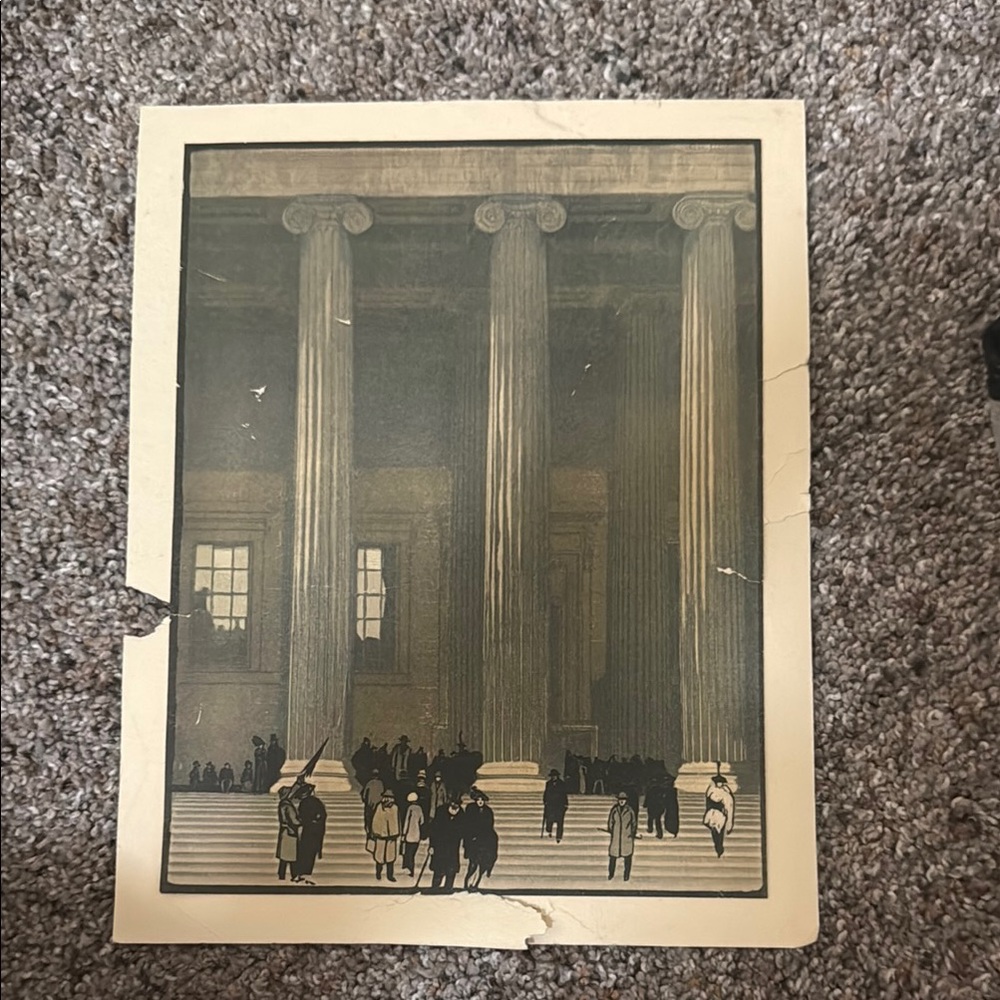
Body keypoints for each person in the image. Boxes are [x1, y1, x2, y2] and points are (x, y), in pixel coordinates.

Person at [463, 790, 498, 891]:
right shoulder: (471, 809)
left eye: (482, 800)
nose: (480, 802)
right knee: (473, 862)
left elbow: (490, 825)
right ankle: (467, 882)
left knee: (481, 863)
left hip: (484, 840)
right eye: (478, 800)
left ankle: (475, 883)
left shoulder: (488, 811)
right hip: (473, 840)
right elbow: (468, 824)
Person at [428, 799, 465, 891]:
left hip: (453, 846)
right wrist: (431, 845)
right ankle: (435, 887)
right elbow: (434, 829)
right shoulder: (441, 811)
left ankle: (448, 887)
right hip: (440, 844)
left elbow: (463, 829)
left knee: (451, 868)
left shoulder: (461, 814)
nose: (455, 805)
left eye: (457, 804)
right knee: (438, 867)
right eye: (453, 803)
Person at [294, 783, 326, 885]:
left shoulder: (304, 803)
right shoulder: (316, 802)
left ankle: (302, 873)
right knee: (310, 852)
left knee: (304, 851)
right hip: (315, 831)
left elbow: (301, 816)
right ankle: (306, 873)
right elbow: (323, 815)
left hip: (307, 830)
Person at [367, 789, 400, 882]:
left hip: (391, 837)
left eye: (390, 798)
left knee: (390, 858)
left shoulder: (395, 808)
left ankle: (390, 875)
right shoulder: (379, 807)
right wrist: (376, 832)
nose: (388, 800)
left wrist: (395, 833)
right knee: (380, 857)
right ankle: (378, 873)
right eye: (386, 797)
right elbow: (376, 821)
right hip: (381, 836)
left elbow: (396, 821)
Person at [703, 773, 736, 857]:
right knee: (716, 832)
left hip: (722, 815)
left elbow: (729, 803)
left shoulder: (725, 791)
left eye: (721, 782)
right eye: (718, 782)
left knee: (720, 832)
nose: (720, 784)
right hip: (714, 814)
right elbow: (714, 799)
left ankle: (719, 848)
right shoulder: (712, 790)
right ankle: (718, 848)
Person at [607, 791, 637, 881]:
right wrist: (612, 830)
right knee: (613, 857)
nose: (621, 801)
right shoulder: (614, 810)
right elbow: (610, 822)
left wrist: (631, 833)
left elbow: (633, 823)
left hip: (626, 837)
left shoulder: (630, 811)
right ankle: (611, 874)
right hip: (616, 837)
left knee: (627, 858)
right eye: (620, 799)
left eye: (623, 800)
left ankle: (626, 875)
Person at [275, 784, 302, 882]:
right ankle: (294, 875)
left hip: (284, 831)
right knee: (291, 855)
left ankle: (281, 875)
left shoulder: (282, 803)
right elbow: (294, 820)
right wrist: (302, 822)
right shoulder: (287, 805)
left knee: (284, 856)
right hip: (290, 831)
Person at [400, 791, 425, 876]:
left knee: (408, 853)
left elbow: (406, 821)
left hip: (409, 834)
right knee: (412, 854)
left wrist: (403, 833)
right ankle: (411, 870)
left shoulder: (410, 808)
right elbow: (422, 821)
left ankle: (408, 868)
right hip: (416, 834)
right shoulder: (420, 808)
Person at [543, 769, 569, 843]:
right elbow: (546, 793)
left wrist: (566, 804)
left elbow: (564, 794)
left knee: (560, 822)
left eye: (555, 776)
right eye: (552, 776)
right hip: (551, 805)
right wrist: (545, 801)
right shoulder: (548, 783)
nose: (553, 777)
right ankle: (549, 830)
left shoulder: (562, 784)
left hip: (559, 805)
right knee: (550, 819)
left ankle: (559, 837)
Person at [361, 768, 385, 836]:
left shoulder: (369, 783)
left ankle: (369, 830)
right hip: (378, 804)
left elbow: (364, 794)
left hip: (370, 804)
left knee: (369, 817)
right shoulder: (381, 783)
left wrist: (365, 800)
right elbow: (382, 793)